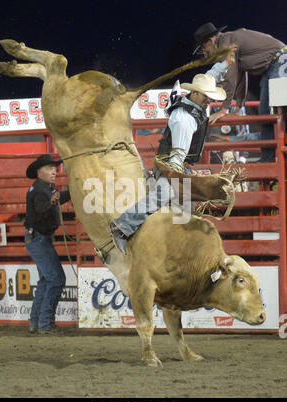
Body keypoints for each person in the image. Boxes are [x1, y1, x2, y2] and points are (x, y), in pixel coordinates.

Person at [110, 74, 226, 255]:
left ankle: (174, 250)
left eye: (210, 96)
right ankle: (122, 226)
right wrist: (176, 177)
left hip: (180, 166)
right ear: (194, 93)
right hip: (173, 166)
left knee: (184, 211)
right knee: (165, 194)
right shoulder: (184, 118)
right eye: (206, 95)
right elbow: (178, 154)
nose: (209, 99)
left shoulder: (193, 110)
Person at [193, 22, 287, 162]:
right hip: (274, 67)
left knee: (279, 111)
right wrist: (238, 105)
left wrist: (224, 108)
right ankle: (268, 158)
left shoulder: (226, 44)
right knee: (266, 113)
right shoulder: (230, 41)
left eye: (203, 47)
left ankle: (274, 157)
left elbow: (230, 77)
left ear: (211, 41)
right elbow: (241, 75)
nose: (205, 52)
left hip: (281, 64)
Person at [24, 154, 71, 334]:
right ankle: (45, 324)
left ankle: (36, 322)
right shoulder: (39, 190)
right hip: (39, 239)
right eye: (50, 168)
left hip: (37, 239)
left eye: (54, 168)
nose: (54, 171)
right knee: (56, 279)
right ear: (39, 171)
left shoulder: (42, 188)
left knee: (46, 280)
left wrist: (68, 193)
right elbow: (40, 211)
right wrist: (52, 202)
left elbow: (54, 201)